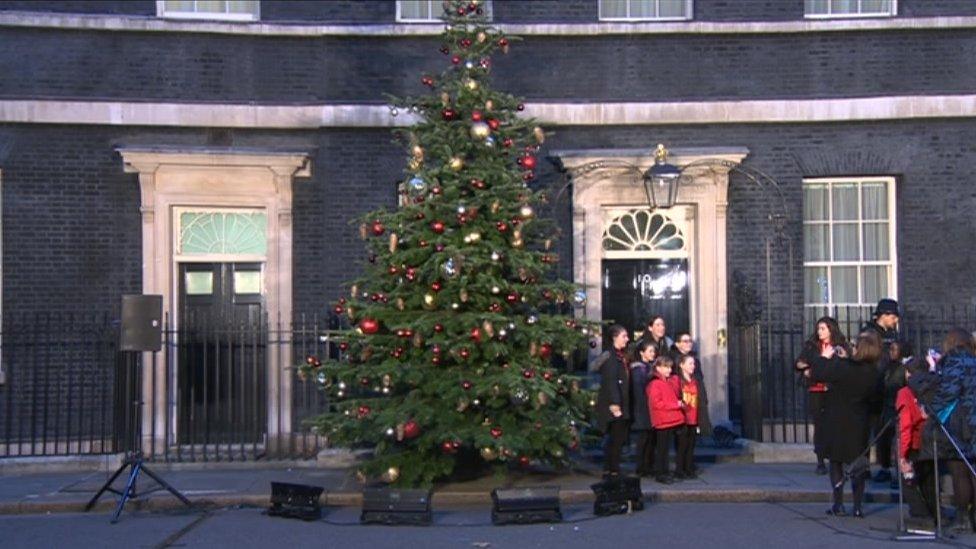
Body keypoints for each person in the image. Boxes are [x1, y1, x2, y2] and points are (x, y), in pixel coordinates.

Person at [807, 330, 884, 518]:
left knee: (836, 461)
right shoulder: (874, 373)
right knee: (858, 463)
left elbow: (817, 373)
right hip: (860, 421)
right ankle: (858, 506)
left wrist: (824, 357)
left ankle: (838, 503)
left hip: (836, 418)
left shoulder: (844, 367)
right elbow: (877, 401)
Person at [928, 327, 976, 534]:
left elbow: (948, 392)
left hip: (962, 422)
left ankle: (962, 516)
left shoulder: (956, 361)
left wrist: (931, 410)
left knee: (960, 470)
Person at [795, 316, 849, 475]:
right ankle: (820, 460)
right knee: (819, 425)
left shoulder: (840, 346)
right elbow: (798, 362)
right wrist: (810, 365)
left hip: (835, 390)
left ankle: (837, 457)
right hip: (817, 390)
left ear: (831, 329)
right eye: (818, 328)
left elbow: (848, 363)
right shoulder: (812, 346)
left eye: (823, 328)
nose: (819, 332)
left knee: (837, 424)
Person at [862, 298, 900, 484]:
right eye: (893, 317)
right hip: (871, 388)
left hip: (888, 390)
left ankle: (884, 466)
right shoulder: (868, 332)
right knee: (866, 430)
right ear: (884, 315)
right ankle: (864, 466)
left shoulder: (893, 334)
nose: (895, 321)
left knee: (885, 431)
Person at [896, 357, 938, 523]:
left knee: (908, 478)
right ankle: (934, 510)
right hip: (931, 440)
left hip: (913, 441)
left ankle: (920, 512)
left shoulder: (905, 393)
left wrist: (902, 453)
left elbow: (905, 424)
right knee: (929, 479)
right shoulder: (934, 389)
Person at [595, 324, 631, 478]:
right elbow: (611, 381)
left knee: (618, 437)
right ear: (615, 337)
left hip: (621, 401)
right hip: (614, 403)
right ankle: (612, 468)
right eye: (624, 336)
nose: (627, 339)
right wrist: (615, 403)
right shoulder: (610, 356)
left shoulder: (620, 356)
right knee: (615, 438)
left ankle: (613, 467)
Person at [647, 355, 684, 484]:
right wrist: (676, 405)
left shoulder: (667, 382)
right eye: (666, 367)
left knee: (665, 448)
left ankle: (665, 471)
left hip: (668, 419)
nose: (669, 370)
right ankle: (661, 473)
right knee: (662, 449)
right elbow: (657, 403)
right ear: (658, 368)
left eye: (670, 367)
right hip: (662, 419)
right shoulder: (655, 384)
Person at [675, 354, 710, 480]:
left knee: (691, 445)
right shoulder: (677, 380)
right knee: (682, 445)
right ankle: (679, 470)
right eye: (690, 363)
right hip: (682, 417)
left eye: (694, 364)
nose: (693, 366)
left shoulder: (696, 380)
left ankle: (689, 468)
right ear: (681, 365)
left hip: (694, 416)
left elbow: (702, 398)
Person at [629, 340, 657, 476]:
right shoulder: (638, 369)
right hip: (642, 409)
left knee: (650, 440)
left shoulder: (650, 367)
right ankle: (641, 468)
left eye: (653, 351)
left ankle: (648, 466)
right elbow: (639, 392)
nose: (653, 354)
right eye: (650, 351)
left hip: (650, 409)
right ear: (642, 353)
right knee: (643, 440)